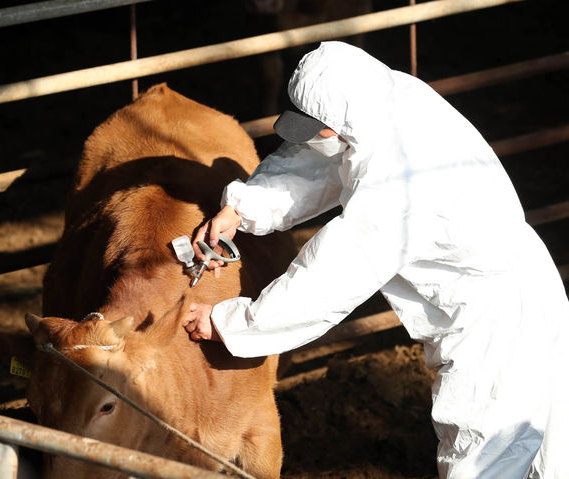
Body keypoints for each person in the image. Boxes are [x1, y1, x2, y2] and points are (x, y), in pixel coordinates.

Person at [182, 41, 568, 478]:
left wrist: (234, 323)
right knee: (548, 453)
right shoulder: (380, 105)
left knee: (484, 455)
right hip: (516, 281)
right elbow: (320, 159)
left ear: (342, 123)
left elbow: (335, 274)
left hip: (495, 318)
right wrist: (243, 208)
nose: (317, 138)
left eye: (320, 130)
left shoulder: (399, 177)